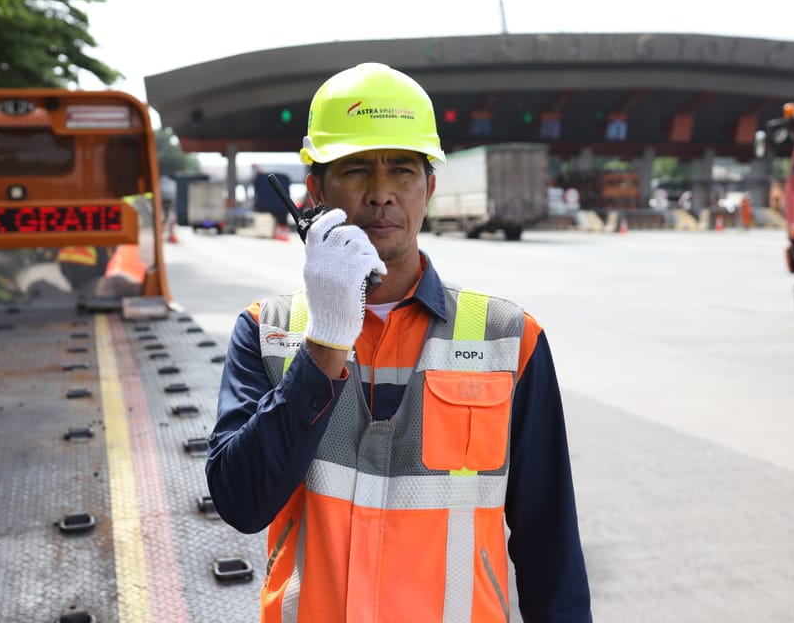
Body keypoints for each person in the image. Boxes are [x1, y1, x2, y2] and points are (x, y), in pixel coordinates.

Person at [206, 63, 592, 622]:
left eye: (403, 171)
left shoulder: (511, 339)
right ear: (315, 191)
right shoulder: (268, 332)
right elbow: (242, 503)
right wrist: (324, 345)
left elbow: (549, 545)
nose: (382, 193)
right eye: (356, 169)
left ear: (428, 190)